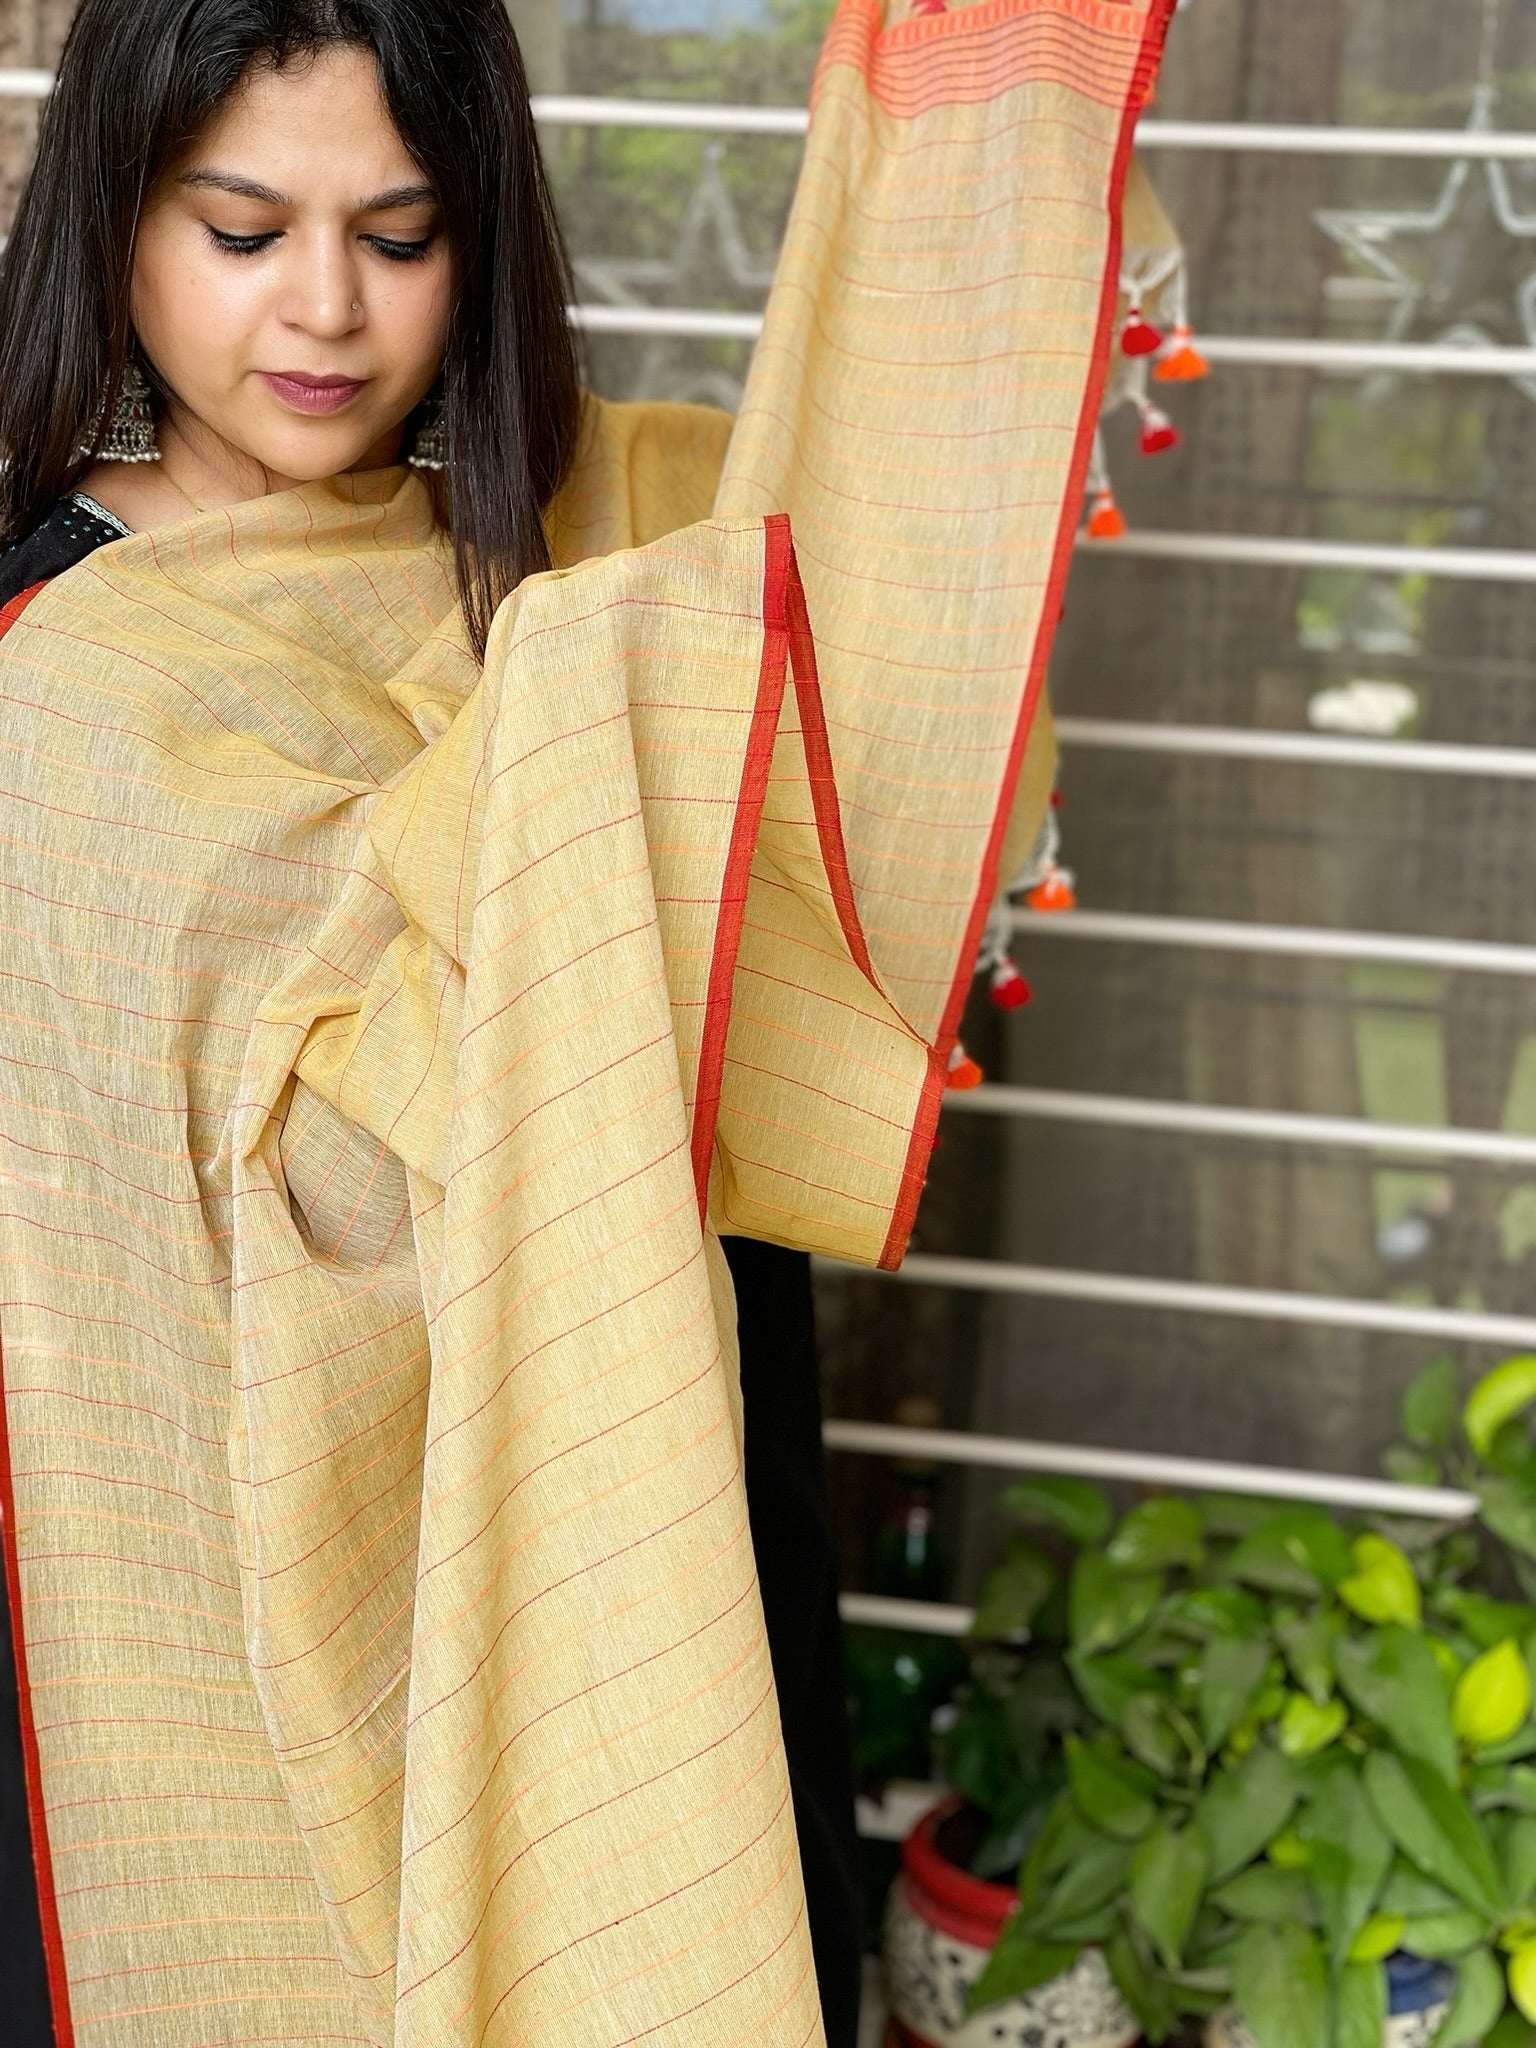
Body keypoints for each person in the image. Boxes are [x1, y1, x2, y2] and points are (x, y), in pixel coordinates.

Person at [0, 0, 1160, 2040]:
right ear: (116, 216)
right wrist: (583, 758)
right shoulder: (57, 678)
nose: (330, 311)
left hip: (652, 1472)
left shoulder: (583, 534)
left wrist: (964, 216)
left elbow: (849, 630)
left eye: (405, 228)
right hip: (214, 1589)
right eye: (246, 228)